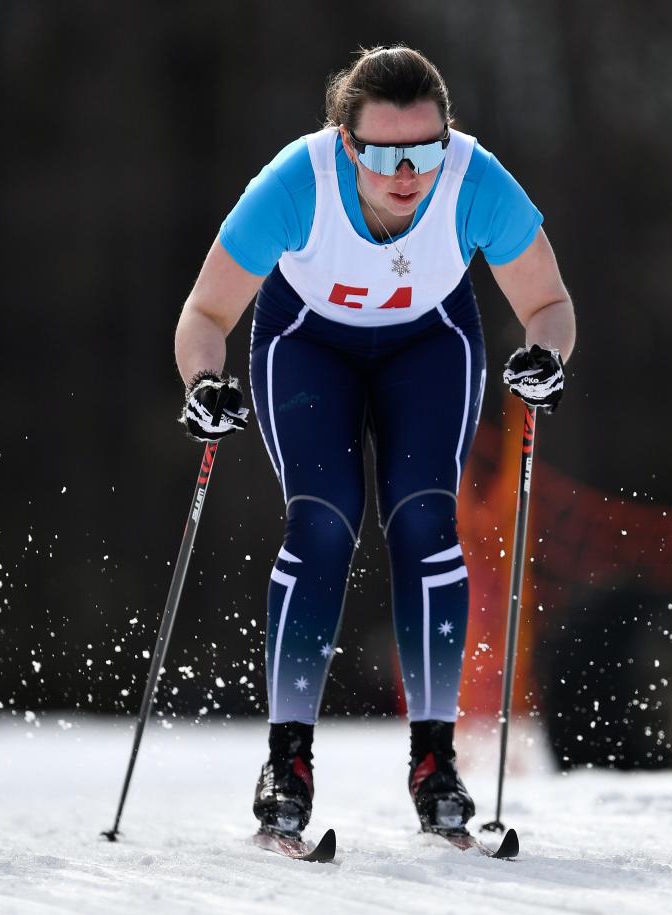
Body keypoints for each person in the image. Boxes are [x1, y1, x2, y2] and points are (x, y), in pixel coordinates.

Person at [174, 45, 575, 839]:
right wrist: (203, 386)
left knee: (427, 521)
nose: (407, 172)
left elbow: (549, 303)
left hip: (428, 346)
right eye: (386, 152)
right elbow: (205, 316)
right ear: (347, 143)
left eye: (424, 151)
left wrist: (545, 360)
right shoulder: (297, 184)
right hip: (308, 344)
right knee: (323, 520)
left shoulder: (474, 180)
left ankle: (435, 762)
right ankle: (287, 760)